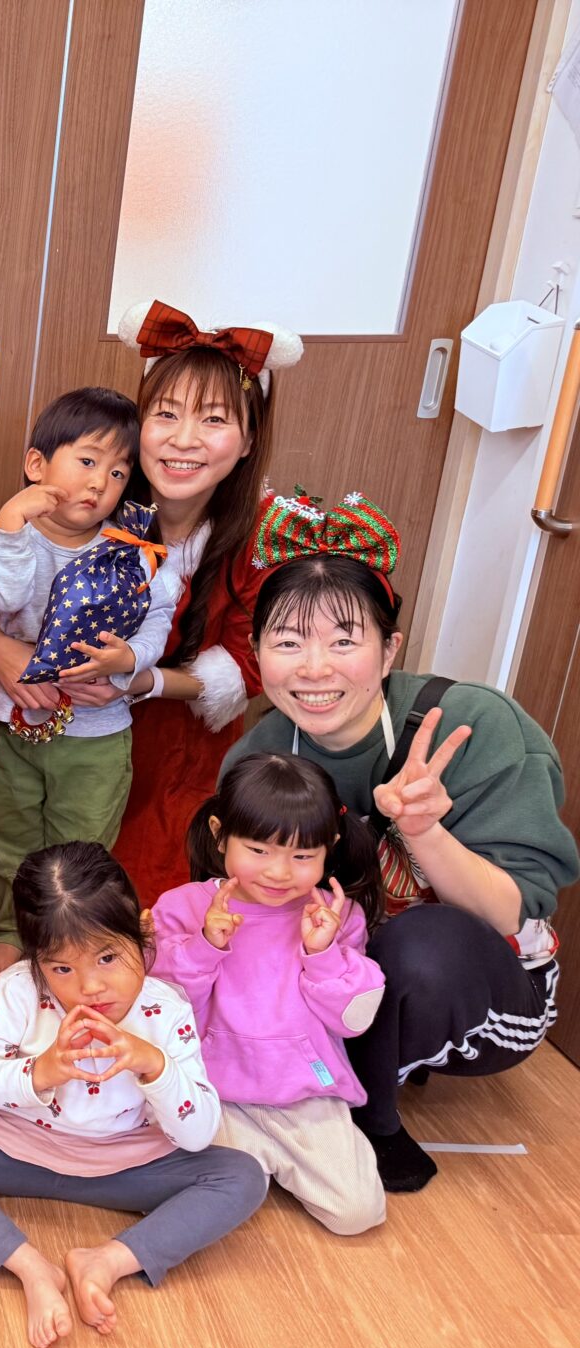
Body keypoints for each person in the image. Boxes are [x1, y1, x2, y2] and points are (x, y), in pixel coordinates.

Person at [226, 492, 577, 1191]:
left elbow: (509, 914)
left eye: (344, 641)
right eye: (288, 642)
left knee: (422, 945)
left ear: (389, 650)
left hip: (483, 994)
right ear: (257, 653)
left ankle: (361, 1116)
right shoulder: (259, 756)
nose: (314, 668)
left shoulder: (470, 725)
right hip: (333, 976)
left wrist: (425, 832)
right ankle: (294, 1089)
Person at [0, 300, 302, 911]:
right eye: (165, 414)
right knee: (25, 863)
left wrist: (139, 680)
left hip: (172, 754)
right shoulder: (94, 490)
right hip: (43, 731)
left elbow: (250, 666)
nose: (183, 440)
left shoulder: (263, 536)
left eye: (214, 420)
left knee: (130, 903)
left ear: (249, 439)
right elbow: (5, 580)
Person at [0, 843, 265, 1348]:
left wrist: (153, 1065)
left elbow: (198, 1134)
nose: (90, 986)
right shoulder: (20, 988)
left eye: (108, 957)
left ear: (143, 931)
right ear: (37, 962)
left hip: (122, 1163)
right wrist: (39, 1073)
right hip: (16, 1147)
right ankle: (30, 1267)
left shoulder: (165, 1008)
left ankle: (106, 1261)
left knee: (242, 1177)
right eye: (62, 969)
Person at [0, 386, 182, 978]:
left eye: (117, 473)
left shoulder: (132, 549)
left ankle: (66, 938)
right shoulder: (7, 537)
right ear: (37, 464)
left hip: (97, 735)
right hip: (15, 724)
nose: (98, 483)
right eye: (87, 461)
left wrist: (130, 659)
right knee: (6, 831)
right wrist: (13, 520)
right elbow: (0, 596)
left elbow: (159, 615)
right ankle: (12, 927)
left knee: (81, 843)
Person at [152, 752, 388, 1234]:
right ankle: (252, 1164)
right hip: (211, 1090)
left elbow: (353, 1019)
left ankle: (268, 1162)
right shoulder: (182, 907)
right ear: (220, 834)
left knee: (357, 1214)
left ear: (329, 847)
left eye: (302, 857)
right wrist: (204, 945)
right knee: (207, 1201)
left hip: (305, 1094)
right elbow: (159, 1010)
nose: (279, 872)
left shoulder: (336, 916)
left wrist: (322, 953)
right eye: (259, 850)